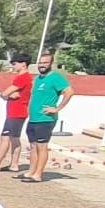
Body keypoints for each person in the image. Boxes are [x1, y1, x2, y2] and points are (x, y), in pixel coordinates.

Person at [22, 51, 72, 183]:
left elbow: (69, 92)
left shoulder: (56, 77)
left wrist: (57, 108)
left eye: (45, 63)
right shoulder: (37, 79)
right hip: (33, 118)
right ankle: (31, 171)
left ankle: (38, 174)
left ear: (51, 64)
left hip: (46, 119)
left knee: (41, 146)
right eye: (41, 63)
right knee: (33, 146)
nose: (42, 65)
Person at [0, 55, 32, 173]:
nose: (13, 66)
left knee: (5, 137)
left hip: (16, 112)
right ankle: (14, 164)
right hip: (19, 111)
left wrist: (6, 95)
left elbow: (4, 93)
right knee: (14, 138)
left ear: (23, 64)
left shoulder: (22, 78)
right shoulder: (27, 78)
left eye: (15, 63)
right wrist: (8, 95)